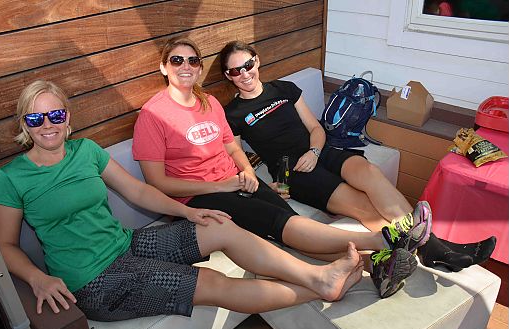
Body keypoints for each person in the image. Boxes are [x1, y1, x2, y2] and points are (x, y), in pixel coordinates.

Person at [0, 80, 365, 322]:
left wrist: (189, 211)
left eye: (55, 114)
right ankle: (320, 283)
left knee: (220, 224)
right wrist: (37, 278)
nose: (47, 124)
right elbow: (4, 245)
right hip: (97, 281)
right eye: (36, 117)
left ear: (67, 117)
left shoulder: (85, 150)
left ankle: (319, 276)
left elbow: (138, 192)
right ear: (24, 124)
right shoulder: (11, 178)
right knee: (213, 283)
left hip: (127, 244)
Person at [132, 37, 431, 298]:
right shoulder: (155, 114)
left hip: (245, 178)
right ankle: (385, 240)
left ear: (199, 67)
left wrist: (247, 172)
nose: (185, 66)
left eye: (192, 60)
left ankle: (380, 260)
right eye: (176, 60)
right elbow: (157, 182)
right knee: (284, 223)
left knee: (291, 223)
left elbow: (232, 147)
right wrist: (240, 183)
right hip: (208, 194)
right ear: (163, 67)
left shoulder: (210, 102)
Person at [218, 40, 494, 280]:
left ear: (258, 61)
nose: (245, 74)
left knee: (369, 172)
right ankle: (432, 248)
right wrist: (271, 182)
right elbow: (237, 153)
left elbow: (316, 129)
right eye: (235, 70)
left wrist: (314, 152)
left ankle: (432, 245)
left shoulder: (284, 89)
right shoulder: (233, 113)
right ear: (229, 76)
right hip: (296, 170)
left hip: (319, 150)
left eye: (248, 64)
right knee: (362, 205)